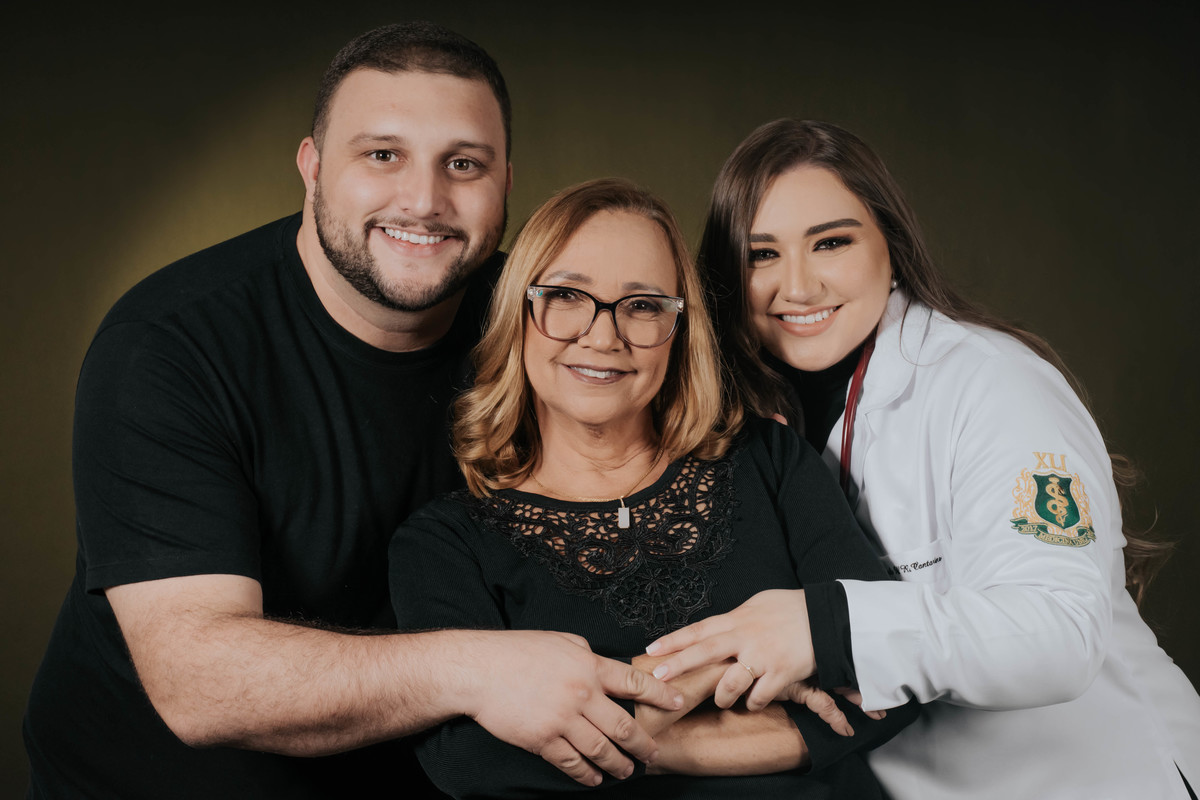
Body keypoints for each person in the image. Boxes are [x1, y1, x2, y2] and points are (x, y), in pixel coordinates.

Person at [22, 23, 683, 799]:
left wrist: (788, 621)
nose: (424, 201)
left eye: (463, 164)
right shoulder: (169, 346)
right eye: (381, 155)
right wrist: (476, 669)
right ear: (311, 167)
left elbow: (706, 445)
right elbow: (200, 682)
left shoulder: (550, 324)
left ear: (506, 182)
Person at [646, 118, 1200, 799]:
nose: (798, 286)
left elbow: (1060, 633)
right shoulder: (742, 420)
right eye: (761, 254)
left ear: (893, 245)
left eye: (831, 242)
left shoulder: (991, 381)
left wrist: (826, 627)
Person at [388, 177, 919, 798]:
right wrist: (713, 670)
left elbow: (891, 677)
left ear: (680, 328)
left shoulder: (769, 460)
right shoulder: (446, 543)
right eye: (566, 296)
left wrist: (625, 726)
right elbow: (474, 762)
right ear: (517, 315)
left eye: (642, 306)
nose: (603, 337)